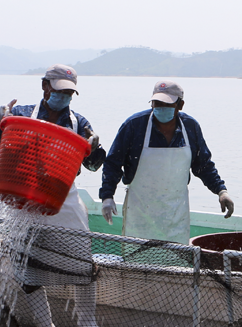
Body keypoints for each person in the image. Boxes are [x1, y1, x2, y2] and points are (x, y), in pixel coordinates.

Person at [0, 64, 108, 327]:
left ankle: (87, 321)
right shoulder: (22, 114)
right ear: (45, 87)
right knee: (26, 267)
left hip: (63, 195)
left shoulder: (79, 122)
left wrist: (96, 148)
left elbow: (91, 165)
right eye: (59, 90)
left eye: (69, 93)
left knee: (83, 261)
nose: (63, 97)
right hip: (24, 196)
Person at [99, 81, 234, 245]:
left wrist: (221, 191)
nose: (161, 107)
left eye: (167, 104)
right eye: (157, 103)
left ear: (180, 105)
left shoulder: (190, 127)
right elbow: (113, 163)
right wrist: (107, 196)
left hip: (176, 213)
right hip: (140, 211)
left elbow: (203, 165)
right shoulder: (134, 125)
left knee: (174, 262)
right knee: (137, 261)